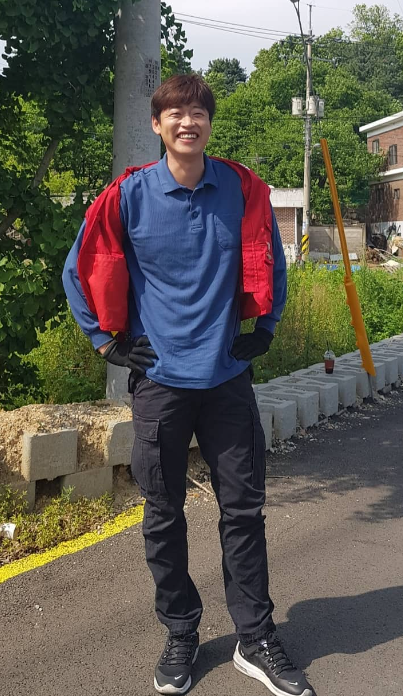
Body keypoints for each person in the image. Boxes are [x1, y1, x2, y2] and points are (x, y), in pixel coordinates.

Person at [63, 74, 313, 696]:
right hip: (159, 384)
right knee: (162, 514)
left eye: (197, 112)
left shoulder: (241, 189)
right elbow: (80, 268)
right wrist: (107, 343)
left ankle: (255, 637)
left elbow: (273, 260)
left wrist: (267, 328)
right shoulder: (128, 197)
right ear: (158, 125)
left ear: (208, 123)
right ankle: (181, 633)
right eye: (174, 112)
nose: (187, 122)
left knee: (244, 511)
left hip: (227, 379)